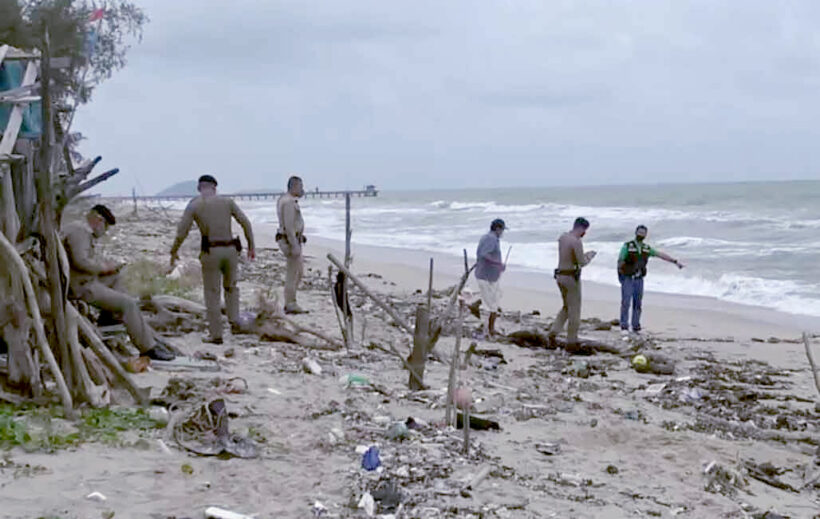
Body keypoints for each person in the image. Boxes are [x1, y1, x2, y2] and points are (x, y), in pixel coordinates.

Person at [63, 204, 175, 360]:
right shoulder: (80, 231)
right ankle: (147, 347)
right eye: (106, 226)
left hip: (83, 280)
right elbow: (81, 261)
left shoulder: (78, 229)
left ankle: (110, 316)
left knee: (118, 276)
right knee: (128, 303)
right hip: (82, 286)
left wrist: (111, 267)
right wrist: (104, 267)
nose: (105, 231)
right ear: (98, 220)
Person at [170, 175, 255, 344]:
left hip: (211, 251)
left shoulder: (195, 205)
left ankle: (216, 334)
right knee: (231, 288)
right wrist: (251, 246)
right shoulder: (227, 202)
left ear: (199, 188)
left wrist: (173, 251)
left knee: (212, 293)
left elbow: (182, 232)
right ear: (215, 187)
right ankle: (235, 322)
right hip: (231, 250)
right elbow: (246, 223)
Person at [618, 225, 684, 334]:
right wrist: (621, 277)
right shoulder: (627, 246)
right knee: (625, 302)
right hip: (628, 278)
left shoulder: (646, 248)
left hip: (639, 279)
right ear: (636, 232)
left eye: (643, 233)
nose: (641, 234)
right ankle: (624, 326)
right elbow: (620, 261)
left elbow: (660, 255)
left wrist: (675, 261)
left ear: (646, 235)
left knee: (637, 303)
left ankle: (636, 326)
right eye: (640, 232)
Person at [547, 217, 596, 353]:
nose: (584, 233)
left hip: (560, 276)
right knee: (574, 310)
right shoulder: (576, 242)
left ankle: (553, 332)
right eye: (584, 230)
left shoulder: (563, 237)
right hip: (570, 278)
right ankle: (571, 341)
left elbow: (568, 256)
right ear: (581, 228)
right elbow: (581, 262)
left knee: (566, 307)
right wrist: (589, 256)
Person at [276, 176, 307, 314]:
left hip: (291, 239)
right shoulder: (288, 202)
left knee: (297, 272)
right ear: (294, 186)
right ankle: (290, 303)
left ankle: (291, 301)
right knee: (293, 273)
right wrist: (294, 245)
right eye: (300, 186)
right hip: (290, 241)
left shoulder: (285, 200)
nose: (302, 189)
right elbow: (289, 227)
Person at [475, 218, 506, 336]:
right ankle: (490, 329)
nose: (503, 232)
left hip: (489, 275)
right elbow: (484, 254)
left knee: (495, 298)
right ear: (498, 229)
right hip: (485, 276)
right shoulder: (491, 239)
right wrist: (498, 264)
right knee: (492, 304)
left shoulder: (488, 237)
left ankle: (489, 327)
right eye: (502, 229)